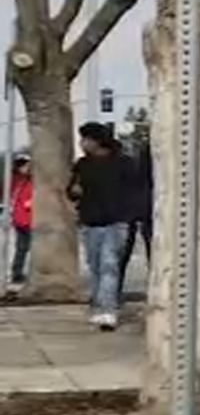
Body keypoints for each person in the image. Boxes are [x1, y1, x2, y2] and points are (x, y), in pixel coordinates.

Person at [69, 123, 137, 331]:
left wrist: (130, 215)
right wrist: (74, 190)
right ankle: (99, 305)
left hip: (117, 222)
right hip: (90, 223)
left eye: (85, 139)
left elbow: (135, 190)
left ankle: (108, 310)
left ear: (97, 141)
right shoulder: (82, 165)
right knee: (95, 267)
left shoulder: (124, 163)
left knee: (109, 265)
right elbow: (71, 190)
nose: (82, 143)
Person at [116, 143, 153, 299]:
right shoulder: (149, 173)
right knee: (151, 253)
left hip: (131, 211)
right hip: (146, 211)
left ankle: (114, 290)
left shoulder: (129, 166)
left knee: (123, 255)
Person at [6, 155, 32, 298]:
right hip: (26, 220)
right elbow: (28, 203)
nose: (29, 168)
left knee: (21, 248)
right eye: (27, 166)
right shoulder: (25, 183)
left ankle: (17, 272)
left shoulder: (15, 182)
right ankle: (18, 273)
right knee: (26, 247)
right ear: (20, 167)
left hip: (19, 220)